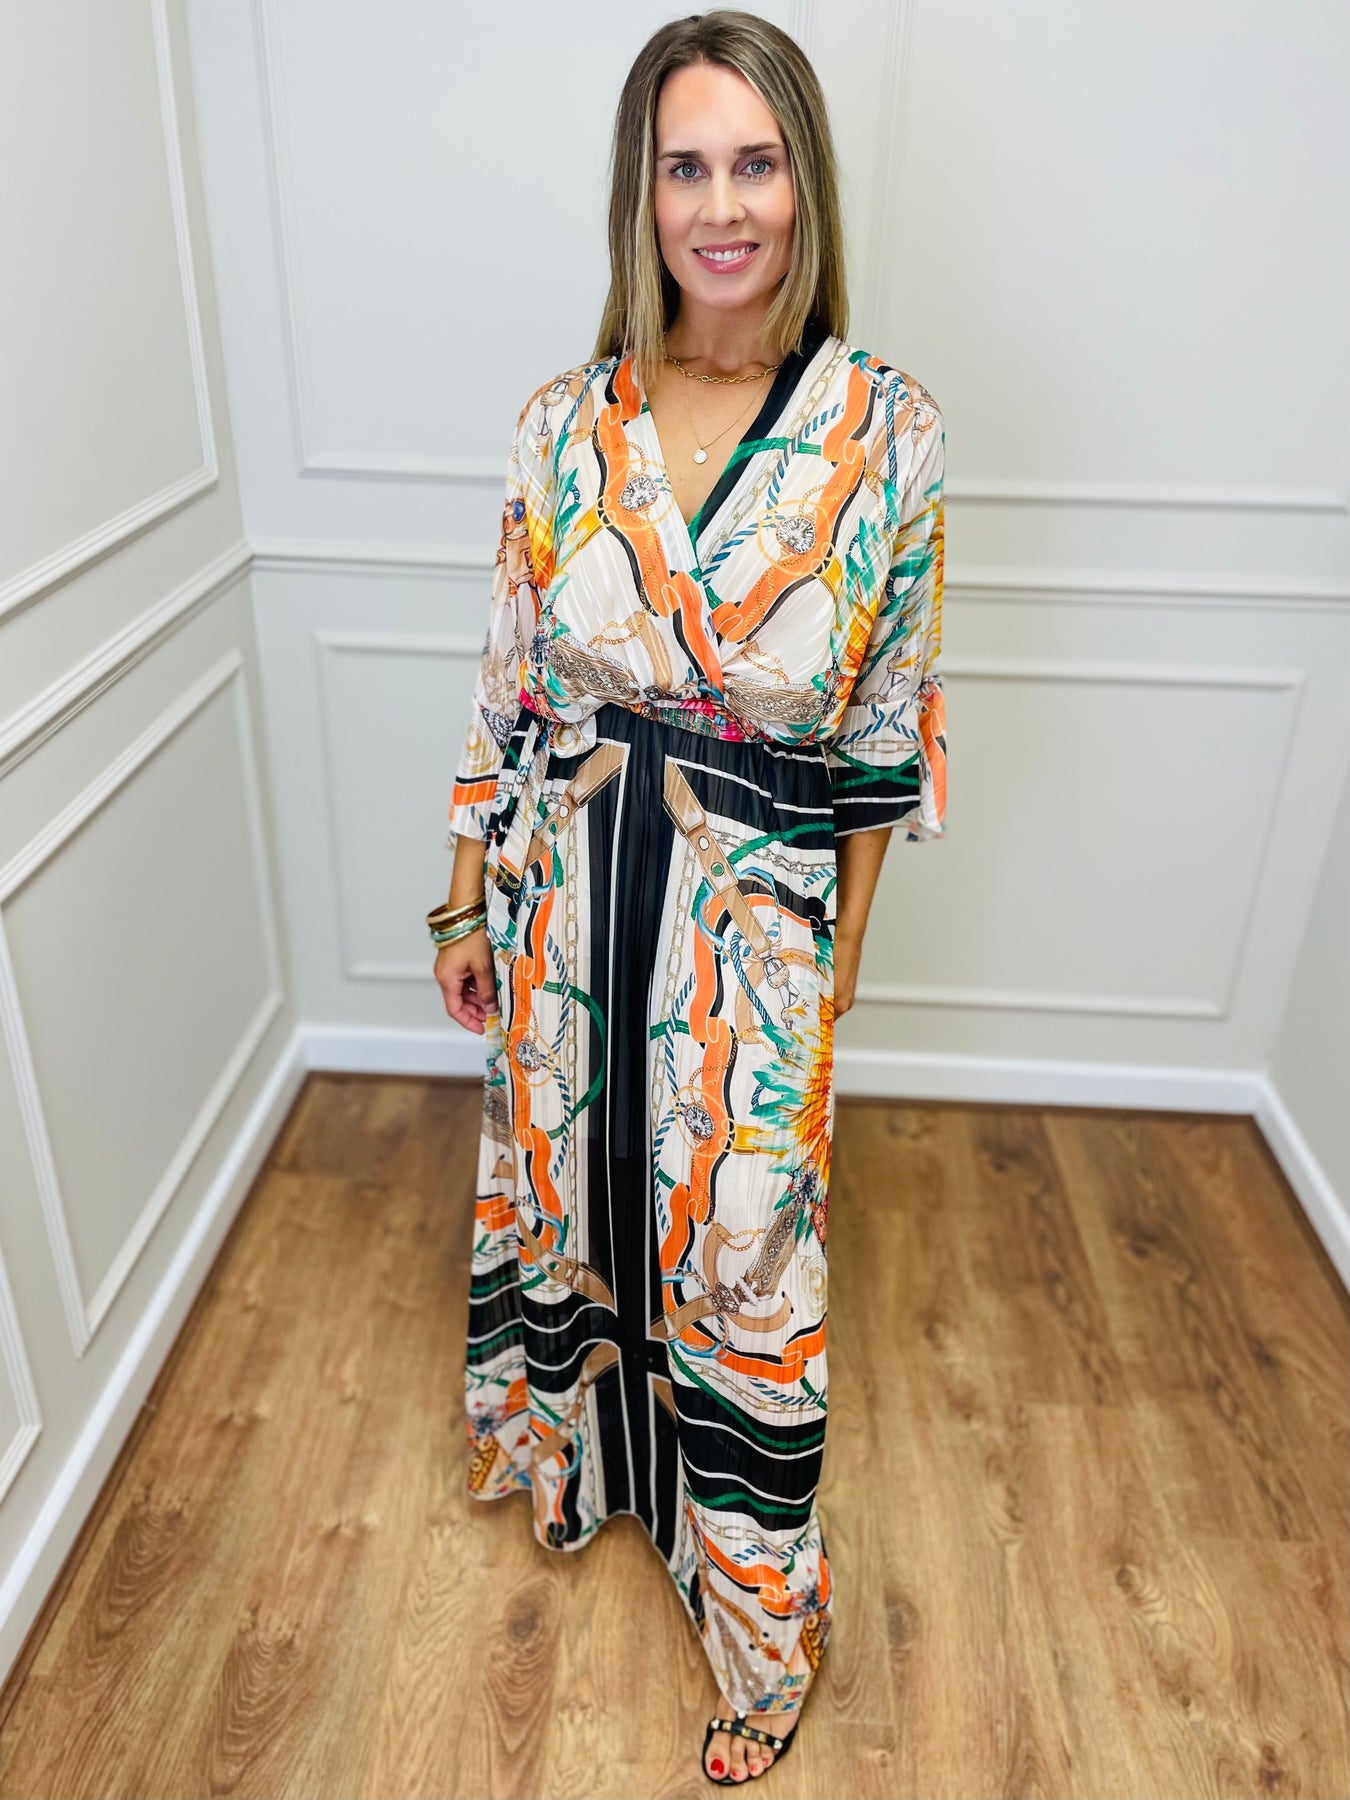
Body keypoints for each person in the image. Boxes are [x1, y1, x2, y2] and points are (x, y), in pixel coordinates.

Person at [431, 8, 945, 1785]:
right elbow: (508, 681)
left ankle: (759, 1638)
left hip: (749, 936)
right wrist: (457, 900)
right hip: (564, 906)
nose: (721, 207)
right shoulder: (564, 424)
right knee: (575, 1210)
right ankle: (588, 1477)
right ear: (639, 196)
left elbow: (883, 728)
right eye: (684, 168)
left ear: (804, 183)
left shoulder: (884, 433)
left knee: (741, 1271)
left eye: (754, 163)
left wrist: (837, 965)